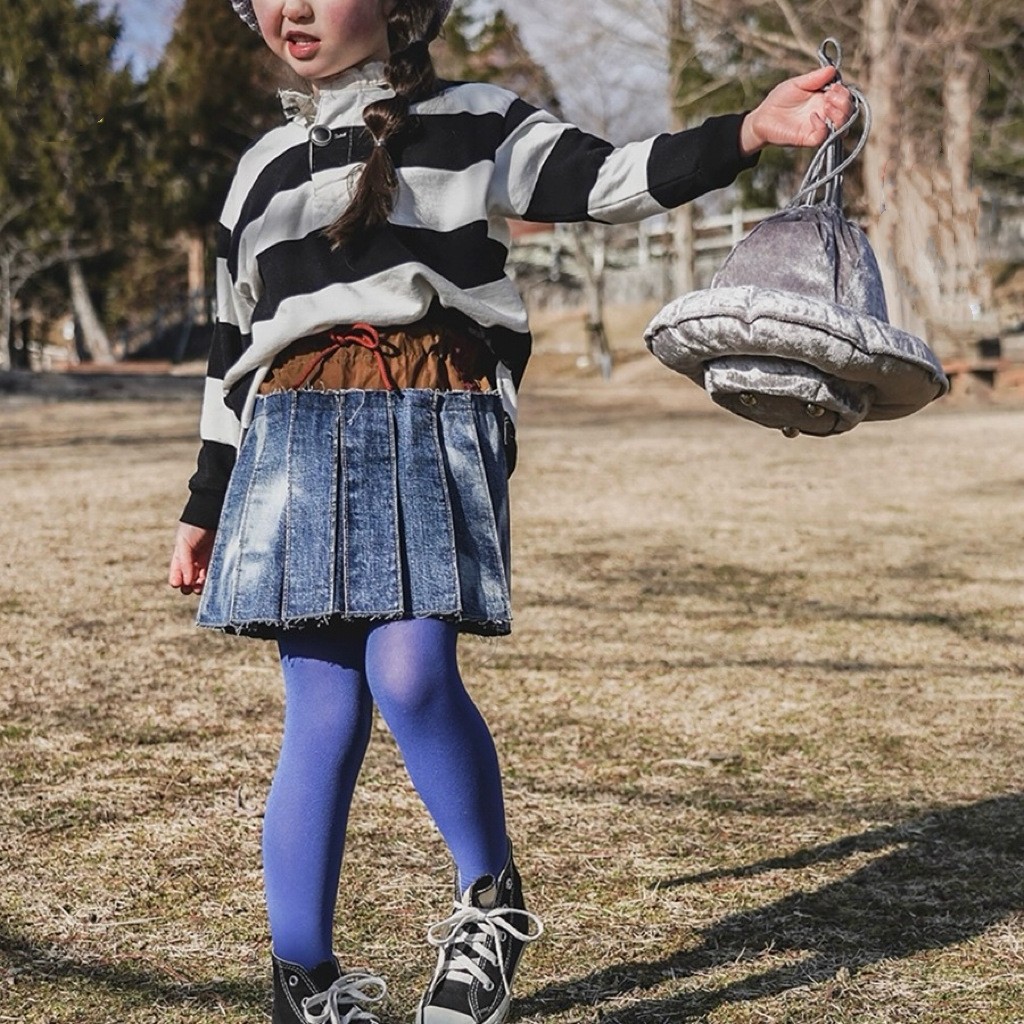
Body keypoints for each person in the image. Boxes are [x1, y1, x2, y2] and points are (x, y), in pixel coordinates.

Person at [167, 2, 853, 1022]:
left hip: (430, 407)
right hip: (290, 436)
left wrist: (746, 132)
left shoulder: (479, 119)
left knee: (410, 672)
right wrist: (205, 499)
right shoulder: (259, 168)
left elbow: (607, 180)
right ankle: (300, 980)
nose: (289, 9)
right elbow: (232, 351)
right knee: (322, 706)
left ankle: (490, 902)